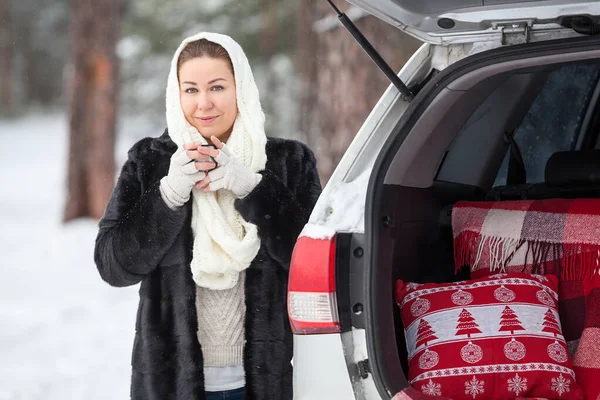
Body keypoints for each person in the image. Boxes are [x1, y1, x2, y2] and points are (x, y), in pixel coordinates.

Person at [94, 32, 322, 400]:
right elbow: (114, 266)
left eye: (217, 87)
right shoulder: (149, 162)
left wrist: (253, 188)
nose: (203, 104)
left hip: (264, 383)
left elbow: (313, 266)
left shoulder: (288, 163)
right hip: (170, 384)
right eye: (190, 90)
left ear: (241, 89)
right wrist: (169, 193)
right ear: (176, 93)